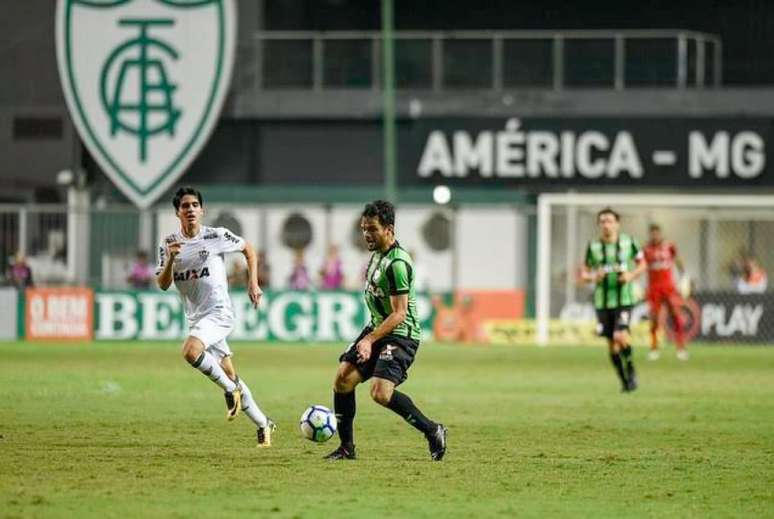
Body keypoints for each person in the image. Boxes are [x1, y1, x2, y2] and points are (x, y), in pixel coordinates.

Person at [325, 200, 447, 461]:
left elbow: (400, 313)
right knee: (343, 379)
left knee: (380, 394)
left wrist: (369, 339)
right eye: (363, 228)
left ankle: (433, 430)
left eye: (372, 229)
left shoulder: (398, 264)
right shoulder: (377, 255)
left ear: (389, 229)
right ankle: (347, 448)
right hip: (379, 327)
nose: (366, 234)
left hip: (402, 334)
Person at [156, 186, 275, 447]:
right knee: (229, 373)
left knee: (190, 351)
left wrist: (252, 283)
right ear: (177, 212)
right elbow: (163, 284)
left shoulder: (215, 235)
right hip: (197, 318)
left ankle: (231, 391)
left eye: (195, 205)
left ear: (202, 210)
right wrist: (170, 261)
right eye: (185, 206)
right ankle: (264, 424)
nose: (190, 209)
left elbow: (249, 249)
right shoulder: (168, 244)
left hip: (219, 313)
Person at [579, 208, 646, 393]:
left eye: (609, 221)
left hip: (624, 298)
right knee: (611, 344)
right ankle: (624, 380)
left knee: (620, 336)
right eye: (602, 221)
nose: (606, 225)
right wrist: (593, 276)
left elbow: (643, 264)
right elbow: (583, 273)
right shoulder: (593, 247)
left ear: (617, 223)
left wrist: (631, 275)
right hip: (602, 301)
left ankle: (631, 369)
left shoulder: (629, 242)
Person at [643, 224, 689, 361]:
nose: (655, 236)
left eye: (656, 233)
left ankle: (681, 348)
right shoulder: (646, 249)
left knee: (675, 315)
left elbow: (679, 260)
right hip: (653, 288)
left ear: (660, 233)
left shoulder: (669, 246)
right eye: (652, 233)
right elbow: (640, 265)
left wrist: (684, 277)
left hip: (668, 287)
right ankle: (654, 348)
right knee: (654, 318)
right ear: (650, 234)